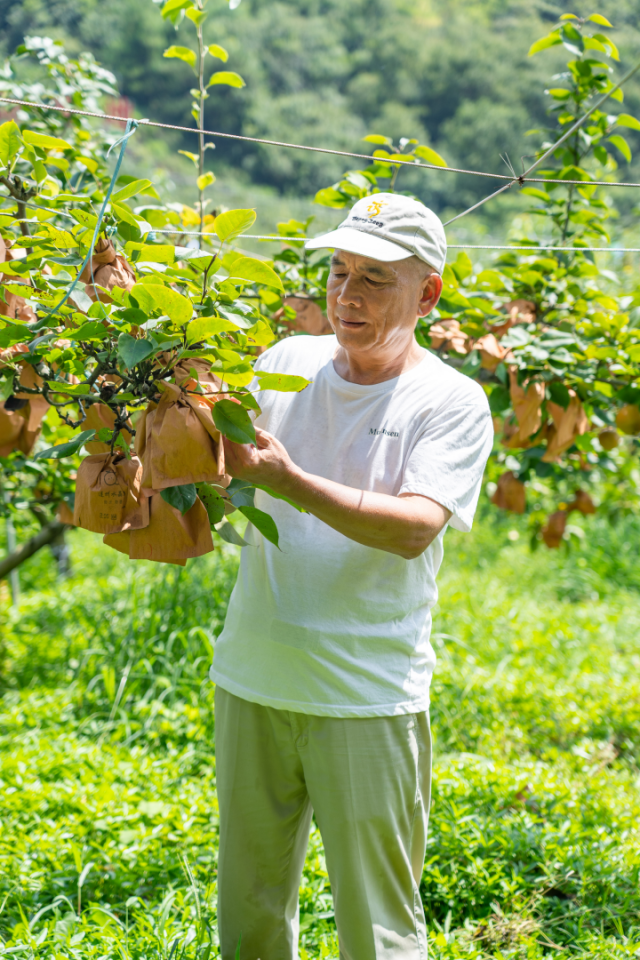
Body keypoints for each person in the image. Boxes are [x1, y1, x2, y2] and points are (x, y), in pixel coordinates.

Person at [210, 192, 493, 959]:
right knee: (249, 911)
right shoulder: (284, 363)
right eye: (338, 271)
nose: (347, 295)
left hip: (364, 695)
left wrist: (291, 481)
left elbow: (413, 529)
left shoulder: (450, 402)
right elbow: (218, 477)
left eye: (375, 278)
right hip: (253, 676)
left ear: (428, 293)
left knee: (378, 925)